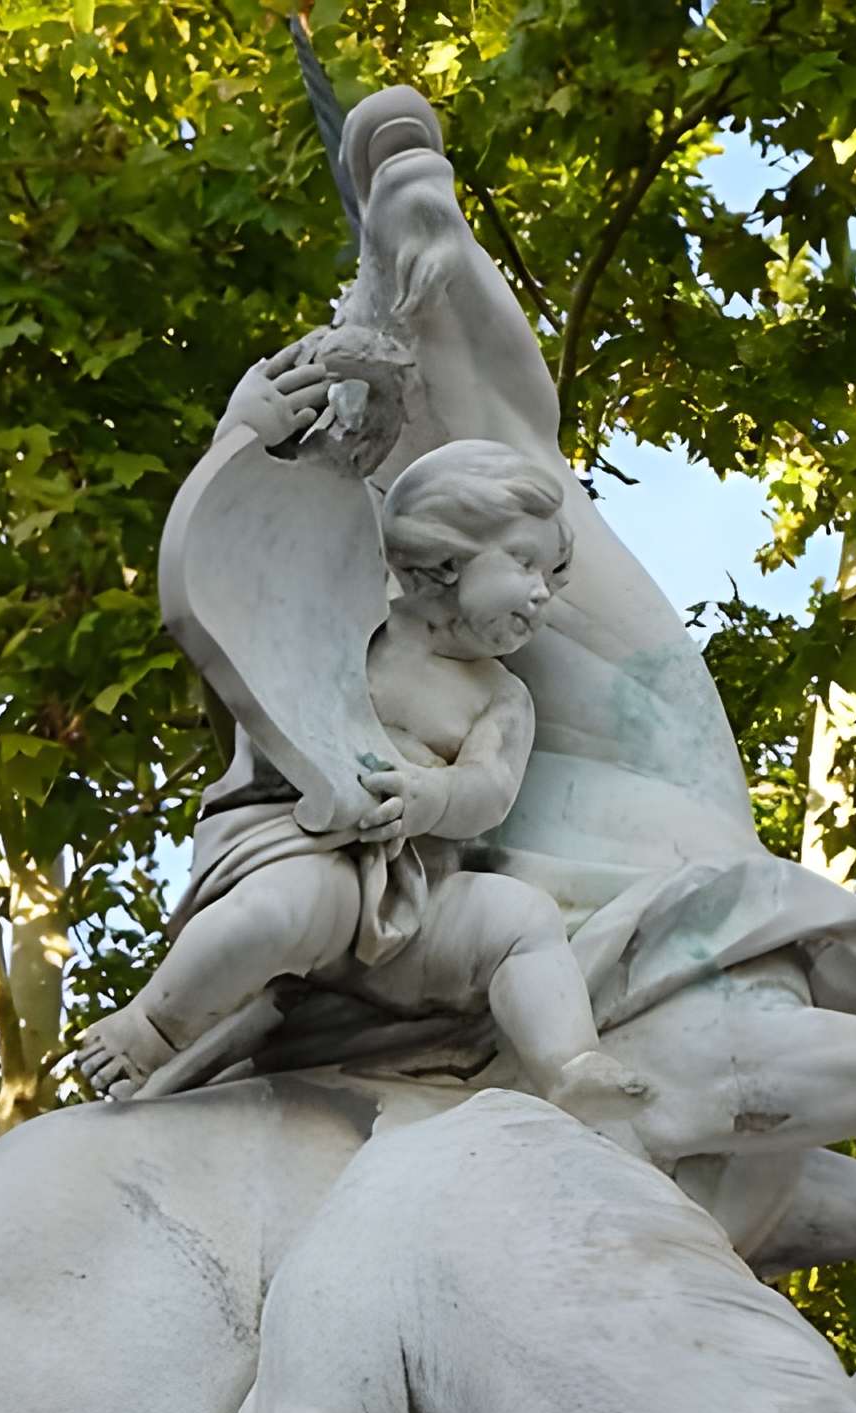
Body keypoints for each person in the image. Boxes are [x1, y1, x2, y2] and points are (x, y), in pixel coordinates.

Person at [76, 434, 647, 1120]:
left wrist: (428, 799)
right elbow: (259, 639)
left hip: (408, 897)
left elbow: (489, 790)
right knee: (276, 912)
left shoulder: (501, 696)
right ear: (445, 553)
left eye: (553, 579)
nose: (540, 593)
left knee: (522, 919)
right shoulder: (353, 622)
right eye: (525, 562)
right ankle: (149, 1028)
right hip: (301, 847)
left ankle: (569, 1067)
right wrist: (260, 426)